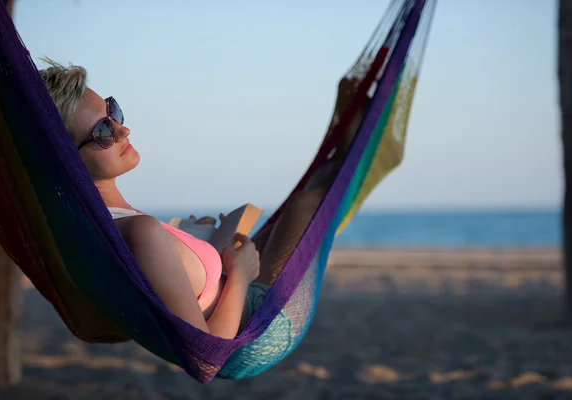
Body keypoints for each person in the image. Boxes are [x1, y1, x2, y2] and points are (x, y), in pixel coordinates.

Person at [38, 58, 366, 369]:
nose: (123, 131)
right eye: (102, 133)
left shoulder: (104, 222)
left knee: (308, 196)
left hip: (243, 301)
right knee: (309, 203)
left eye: (113, 112)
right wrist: (238, 276)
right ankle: (354, 134)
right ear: (67, 159)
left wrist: (200, 245)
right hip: (259, 329)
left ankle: (346, 135)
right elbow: (205, 358)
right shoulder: (140, 230)